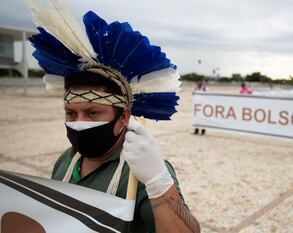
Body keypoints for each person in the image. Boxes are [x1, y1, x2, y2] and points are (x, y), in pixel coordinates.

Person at [28, 3, 200, 232]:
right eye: (71, 113)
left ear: (123, 118)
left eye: (93, 113)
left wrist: (159, 183)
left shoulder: (141, 172)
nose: (79, 123)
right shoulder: (65, 161)